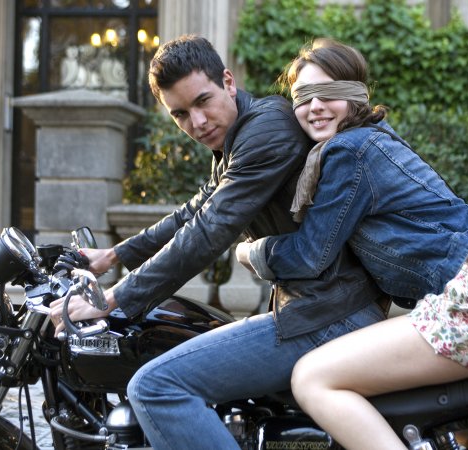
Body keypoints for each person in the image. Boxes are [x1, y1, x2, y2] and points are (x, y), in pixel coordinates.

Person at [49, 35, 387, 449]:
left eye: (203, 101)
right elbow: (194, 211)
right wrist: (114, 255)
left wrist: (113, 298)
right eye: (180, 114)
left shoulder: (269, 129)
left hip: (331, 314)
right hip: (321, 308)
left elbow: (211, 228)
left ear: (228, 81)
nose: (197, 122)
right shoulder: (238, 136)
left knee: (156, 387)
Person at [235, 38, 468, 450]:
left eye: (328, 92)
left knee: (313, 378)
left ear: (356, 95)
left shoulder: (349, 150)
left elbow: (310, 255)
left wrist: (250, 251)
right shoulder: (370, 140)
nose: (315, 106)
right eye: (303, 96)